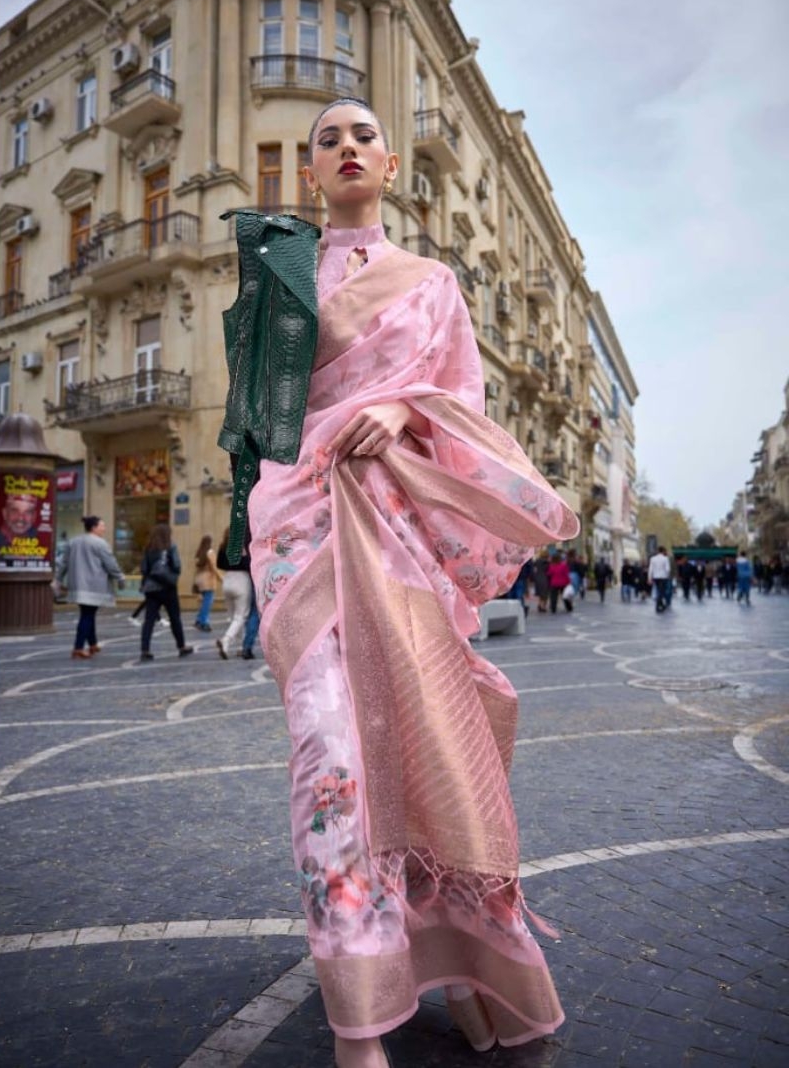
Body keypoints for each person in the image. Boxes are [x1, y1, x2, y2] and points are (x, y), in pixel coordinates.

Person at [219, 98, 578, 1067]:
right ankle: (357, 1012)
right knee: (332, 756)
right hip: (298, 528)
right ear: (306, 173)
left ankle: (457, 960)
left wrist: (396, 404)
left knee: (426, 742)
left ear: (387, 165)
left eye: (360, 136)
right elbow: (251, 419)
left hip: (399, 528)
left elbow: (460, 403)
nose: (344, 147)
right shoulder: (275, 274)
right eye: (324, 139)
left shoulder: (430, 282)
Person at [56, 515, 124, 659]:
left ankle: (93, 643)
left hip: (77, 584)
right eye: (102, 526)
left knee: (88, 613)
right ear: (94, 527)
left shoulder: (73, 542)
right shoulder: (100, 543)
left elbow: (63, 563)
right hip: (94, 585)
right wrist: (120, 577)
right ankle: (78, 647)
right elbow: (110, 563)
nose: (104, 528)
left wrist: (58, 579)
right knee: (87, 616)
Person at [138, 523, 194, 661]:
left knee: (149, 620)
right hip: (167, 587)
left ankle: (145, 649)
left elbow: (144, 568)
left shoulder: (148, 548)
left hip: (151, 588)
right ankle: (181, 646)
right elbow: (176, 566)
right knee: (175, 618)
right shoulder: (170, 546)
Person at [214, 528, 253, 659]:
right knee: (241, 617)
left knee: (233, 617)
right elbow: (248, 564)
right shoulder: (242, 548)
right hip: (242, 581)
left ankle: (238, 646)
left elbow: (219, 564)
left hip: (227, 581)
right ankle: (226, 639)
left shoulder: (223, 546)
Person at [193, 533, 222, 631]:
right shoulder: (210, 552)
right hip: (208, 580)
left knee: (203, 602)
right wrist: (220, 578)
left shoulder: (198, 553)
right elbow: (214, 567)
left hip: (199, 579)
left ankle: (199, 619)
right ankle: (203, 622)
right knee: (207, 603)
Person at [647, 545, 672, 613]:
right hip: (663, 577)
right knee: (661, 592)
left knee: (659, 591)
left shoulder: (653, 558)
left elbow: (650, 569)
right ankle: (658, 606)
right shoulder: (665, 558)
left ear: (658, 551)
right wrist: (668, 576)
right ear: (663, 551)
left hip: (656, 577)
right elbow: (668, 569)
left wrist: (649, 578)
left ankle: (661, 605)